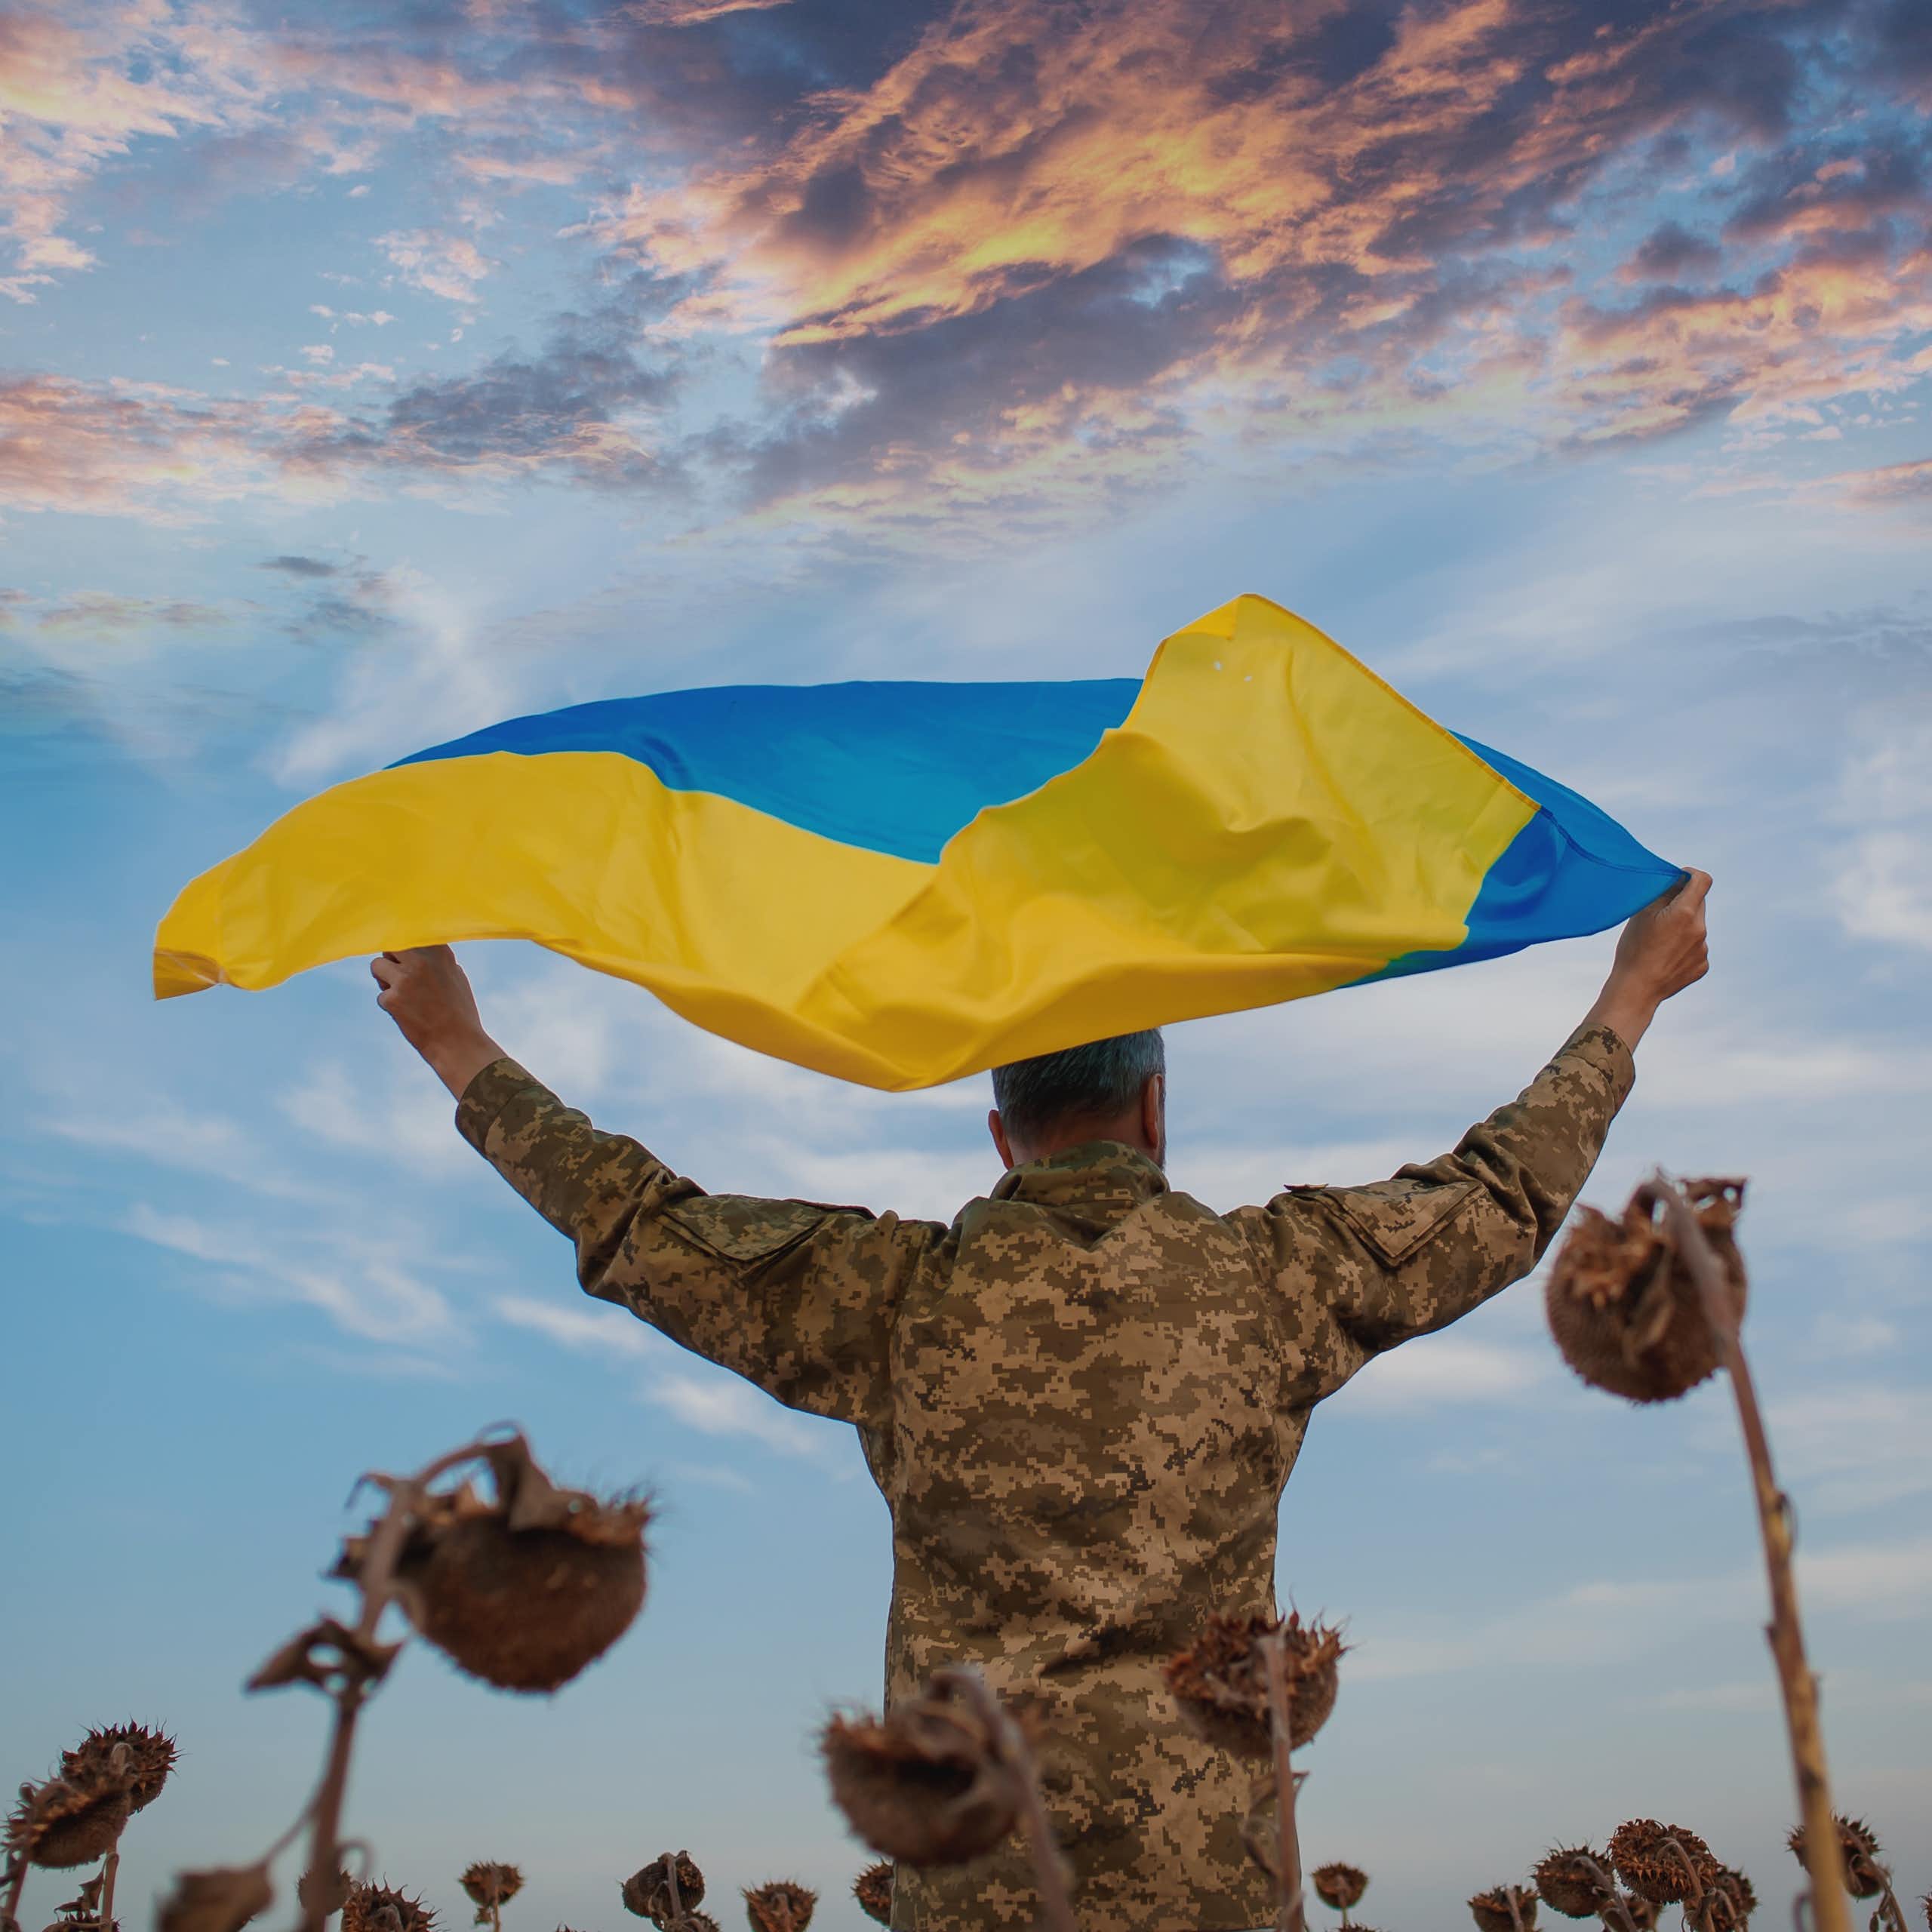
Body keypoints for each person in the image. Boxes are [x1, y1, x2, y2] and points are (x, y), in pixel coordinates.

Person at [372, 871, 1710, 1932]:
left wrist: (457, 1043)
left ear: (1002, 1133)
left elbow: (638, 1222)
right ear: (1157, 1111)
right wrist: (1630, 993)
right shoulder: (1275, 1284)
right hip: (1219, 1892)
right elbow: (1502, 1192)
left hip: (972, 1882)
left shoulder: (892, 1302)